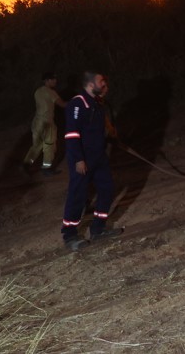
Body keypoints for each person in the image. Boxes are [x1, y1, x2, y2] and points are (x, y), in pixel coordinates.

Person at [61, 72, 122, 251]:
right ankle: (70, 235)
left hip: (99, 158)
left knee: (107, 189)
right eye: (101, 81)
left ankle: (98, 229)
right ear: (90, 84)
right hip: (82, 159)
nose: (104, 84)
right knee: (77, 195)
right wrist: (78, 159)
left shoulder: (97, 104)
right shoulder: (77, 104)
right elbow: (72, 134)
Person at [23, 72, 66, 175]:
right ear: (46, 80)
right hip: (47, 123)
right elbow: (63, 104)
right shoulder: (51, 92)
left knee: (36, 145)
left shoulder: (38, 92)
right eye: (52, 79)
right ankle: (46, 168)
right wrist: (76, 102)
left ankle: (26, 164)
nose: (55, 81)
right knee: (49, 146)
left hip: (37, 122)